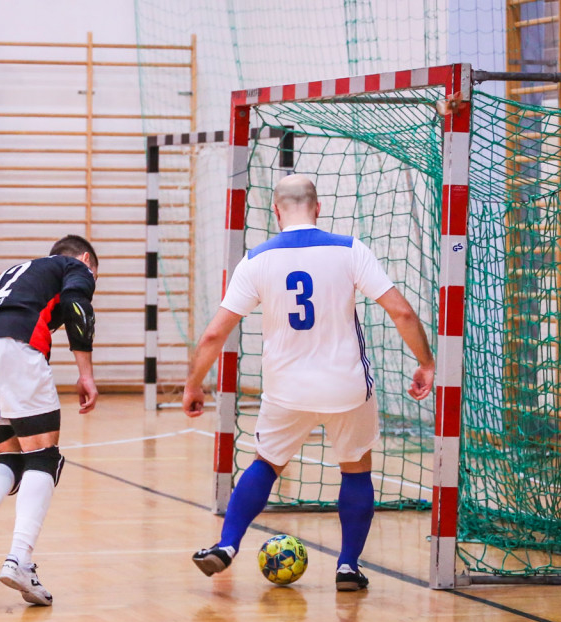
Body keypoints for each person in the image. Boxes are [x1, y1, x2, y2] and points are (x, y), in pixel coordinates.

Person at [182, 175, 434, 591]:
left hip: (287, 391)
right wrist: (425, 362)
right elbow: (402, 312)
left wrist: (194, 384)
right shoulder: (350, 250)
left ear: (277, 211)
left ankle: (227, 545)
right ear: (318, 207)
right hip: (346, 387)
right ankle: (348, 567)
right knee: (355, 468)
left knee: (266, 463)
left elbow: (213, 335)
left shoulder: (256, 260)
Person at [0, 235, 99, 606]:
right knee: (44, 457)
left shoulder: (14, 275)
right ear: (83, 259)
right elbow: (77, 307)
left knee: (10, 459)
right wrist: (86, 374)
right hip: (12, 346)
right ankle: (19, 557)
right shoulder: (75, 267)